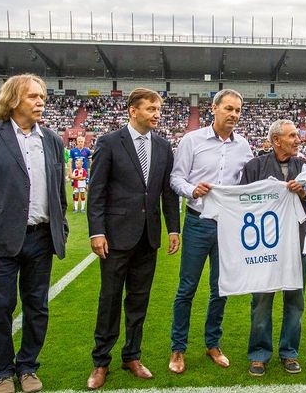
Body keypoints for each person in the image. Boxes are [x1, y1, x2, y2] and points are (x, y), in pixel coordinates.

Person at [0, 74, 68, 393]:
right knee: (1, 307)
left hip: (40, 238)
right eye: (33, 96)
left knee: (37, 306)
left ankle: (28, 366)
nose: (40, 102)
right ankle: (3, 373)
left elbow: (58, 188)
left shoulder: (51, 139)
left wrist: (60, 227)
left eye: (43, 97)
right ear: (12, 100)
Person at [86, 88, 181, 389]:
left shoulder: (164, 147)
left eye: (158, 109)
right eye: (151, 108)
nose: (157, 114)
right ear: (133, 110)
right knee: (110, 299)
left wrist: (173, 228)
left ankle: (132, 355)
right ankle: (101, 361)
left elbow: (167, 193)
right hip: (115, 237)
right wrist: (97, 231)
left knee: (139, 301)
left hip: (148, 236)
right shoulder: (109, 143)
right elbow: (96, 191)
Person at [169, 89, 253, 374]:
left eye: (238, 110)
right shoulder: (192, 140)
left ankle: (212, 343)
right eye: (228, 108)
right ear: (213, 109)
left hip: (228, 226)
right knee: (187, 288)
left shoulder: (244, 146)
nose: (233, 115)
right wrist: (192, 189)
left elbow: (247, 184)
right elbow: (175, 177)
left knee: (221, 288)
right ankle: (178, 349)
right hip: (197, 221)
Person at [240, 119, 306, 377]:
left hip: (298, 243)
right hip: (263, 246)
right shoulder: (254, 167)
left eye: (297, 135)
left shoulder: (305, 167)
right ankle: (259, 354)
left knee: (295, 300)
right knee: (261, 300)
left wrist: (304, 194)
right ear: (276, 140)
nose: (297, 140)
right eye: (292, 136)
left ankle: (289, 352)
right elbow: (242, 203)